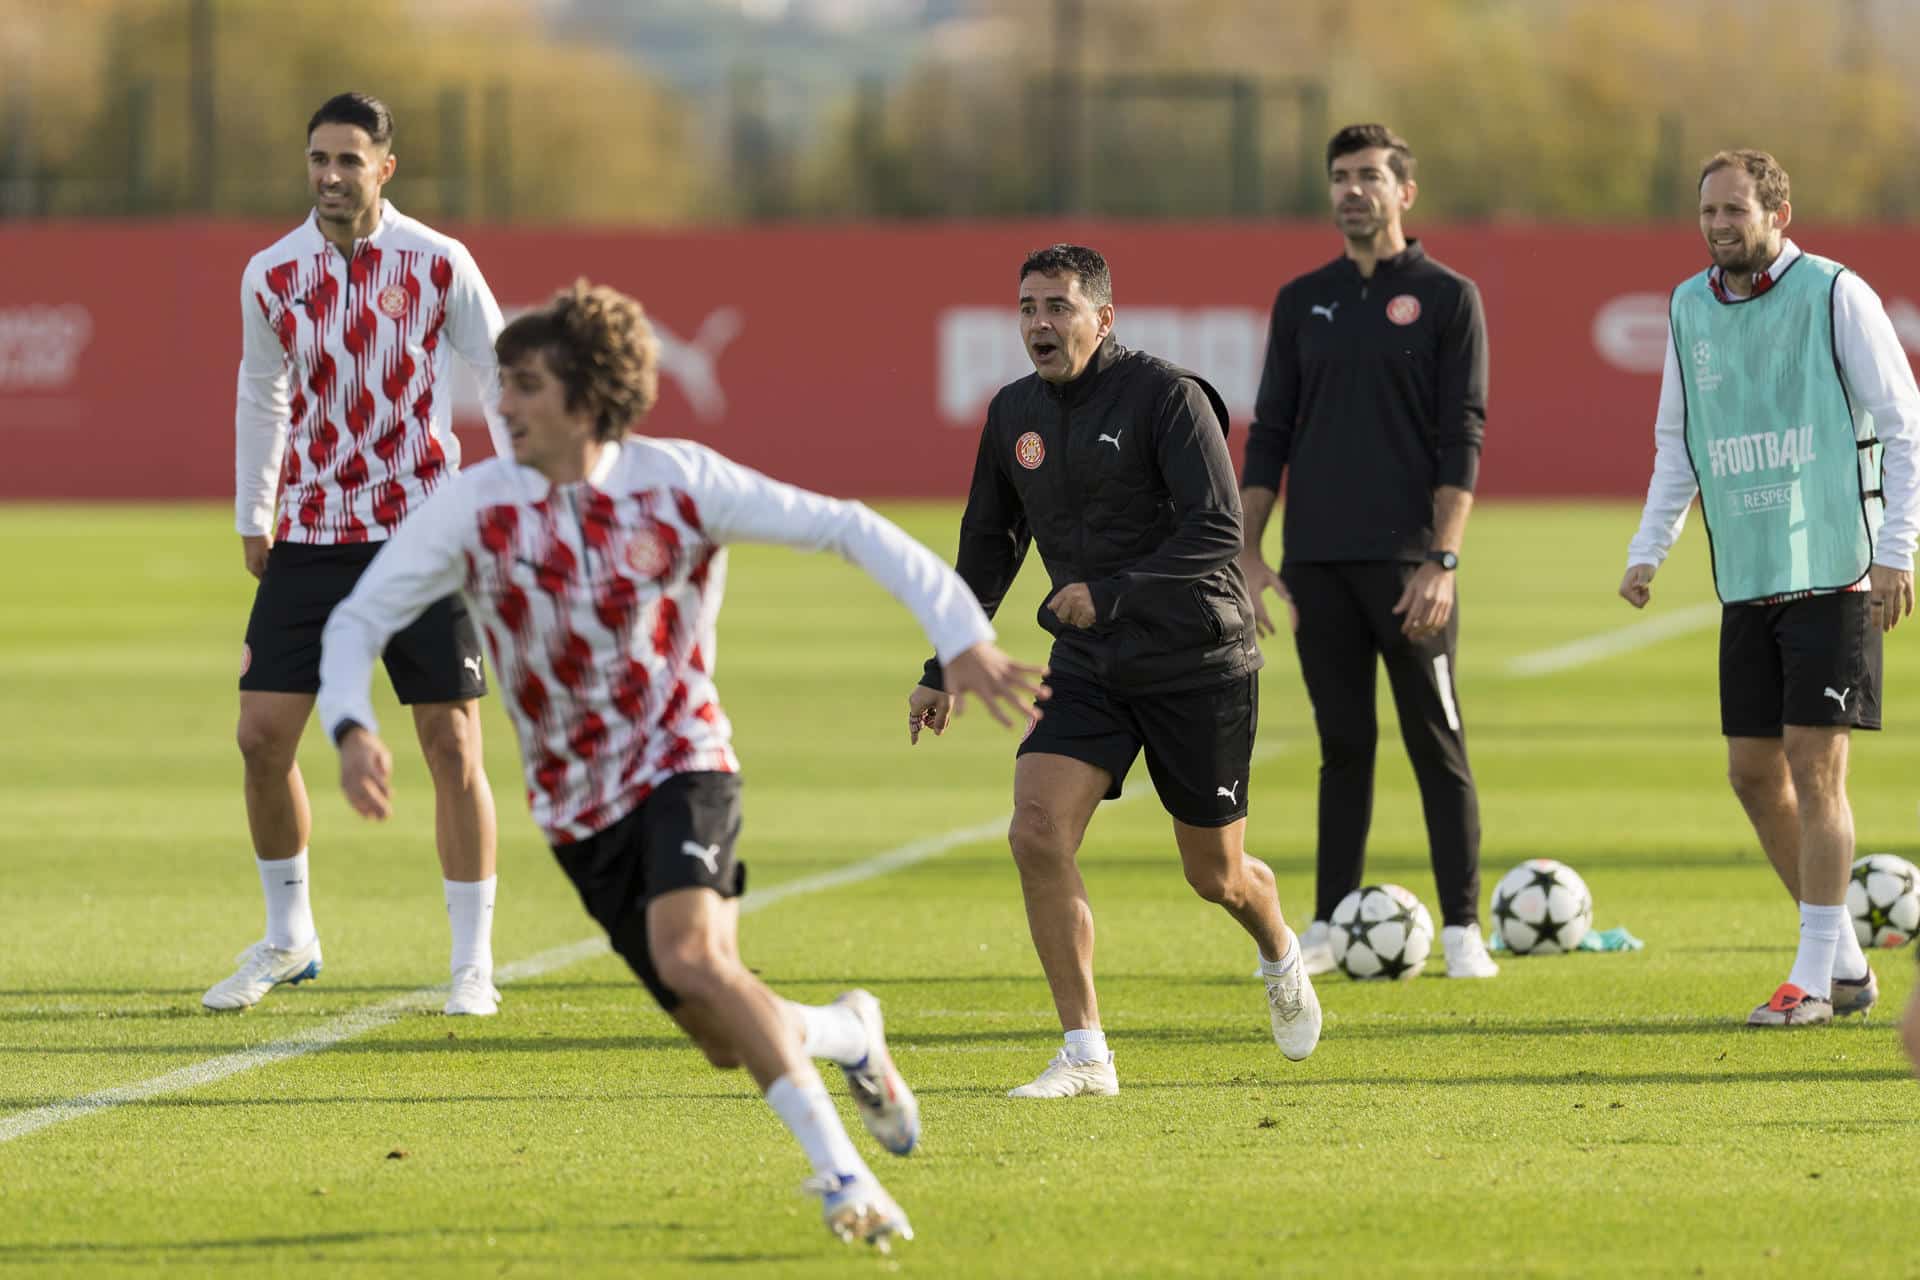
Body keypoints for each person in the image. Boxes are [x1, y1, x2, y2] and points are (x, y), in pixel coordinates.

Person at [316, 279, 1047, 1248]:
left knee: (692, 957)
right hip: (576, 809)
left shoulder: (681, 481)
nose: (501, 404)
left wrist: (959, 632)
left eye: (524, 385)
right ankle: (850, 1032)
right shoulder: (476, 504)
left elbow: (848, 525)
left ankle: (845, 1176)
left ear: (582, 396)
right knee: (716, 1028)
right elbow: (359, 614)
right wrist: (351, 724)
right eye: (501, 383)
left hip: (682, 759)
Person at [906, 243, 1320, 1100]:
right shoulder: (1011, 412)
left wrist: (1115, 591)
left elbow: (1217, 531)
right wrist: (944, 660)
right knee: (1035, 831)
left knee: (1215, 875)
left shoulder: (1168, 397)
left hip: (1196, 657)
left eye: (1058, 306)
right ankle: (1086, 1051)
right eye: (1027, 308)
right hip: (1089, 663)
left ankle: (1277, 942)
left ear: (1104, 317)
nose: (1039, 324)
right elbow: (989, 546)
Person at [209, 93, 510, 1017]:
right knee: (261, 739)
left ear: (385, 166)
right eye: (317, 160)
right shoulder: (273, 273)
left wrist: (515, 500)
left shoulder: (438, 262)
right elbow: (263, 391)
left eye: (348, 159)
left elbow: (499, 374)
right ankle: (289, 936)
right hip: (309, 530)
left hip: (421, 529)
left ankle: (471, 963)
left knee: (450, 742)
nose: (330, 176)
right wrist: (253, 513)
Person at [1621, 148, 1920, 1027]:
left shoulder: (1835, 294)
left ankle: (1813, 981)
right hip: (1750, 576)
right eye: (1708, 211)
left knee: (1816, 769)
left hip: (1835, 567)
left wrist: (1897, 550)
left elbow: (1905, 427)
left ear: (1778, 215)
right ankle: (1852, 964)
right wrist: (1650, 547)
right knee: (1752, 773)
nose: (1719, 226)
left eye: (1736, 211)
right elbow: (1678, 441)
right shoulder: (1686, 307)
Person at [1235, 123, 1497, 980]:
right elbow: (1270, 430)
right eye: (1341, 176)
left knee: (1437, 740)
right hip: (1317, 564)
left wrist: (1443, 559)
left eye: (1372, 177)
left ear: (1404, 193)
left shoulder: (1450, 297)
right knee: (1342, 745)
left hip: (1410, 567)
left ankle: (1462, 929)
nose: (1354, 190)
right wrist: (1250, 550)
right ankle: (1328, 921)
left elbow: (1463, 434)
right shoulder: (1300, 297)